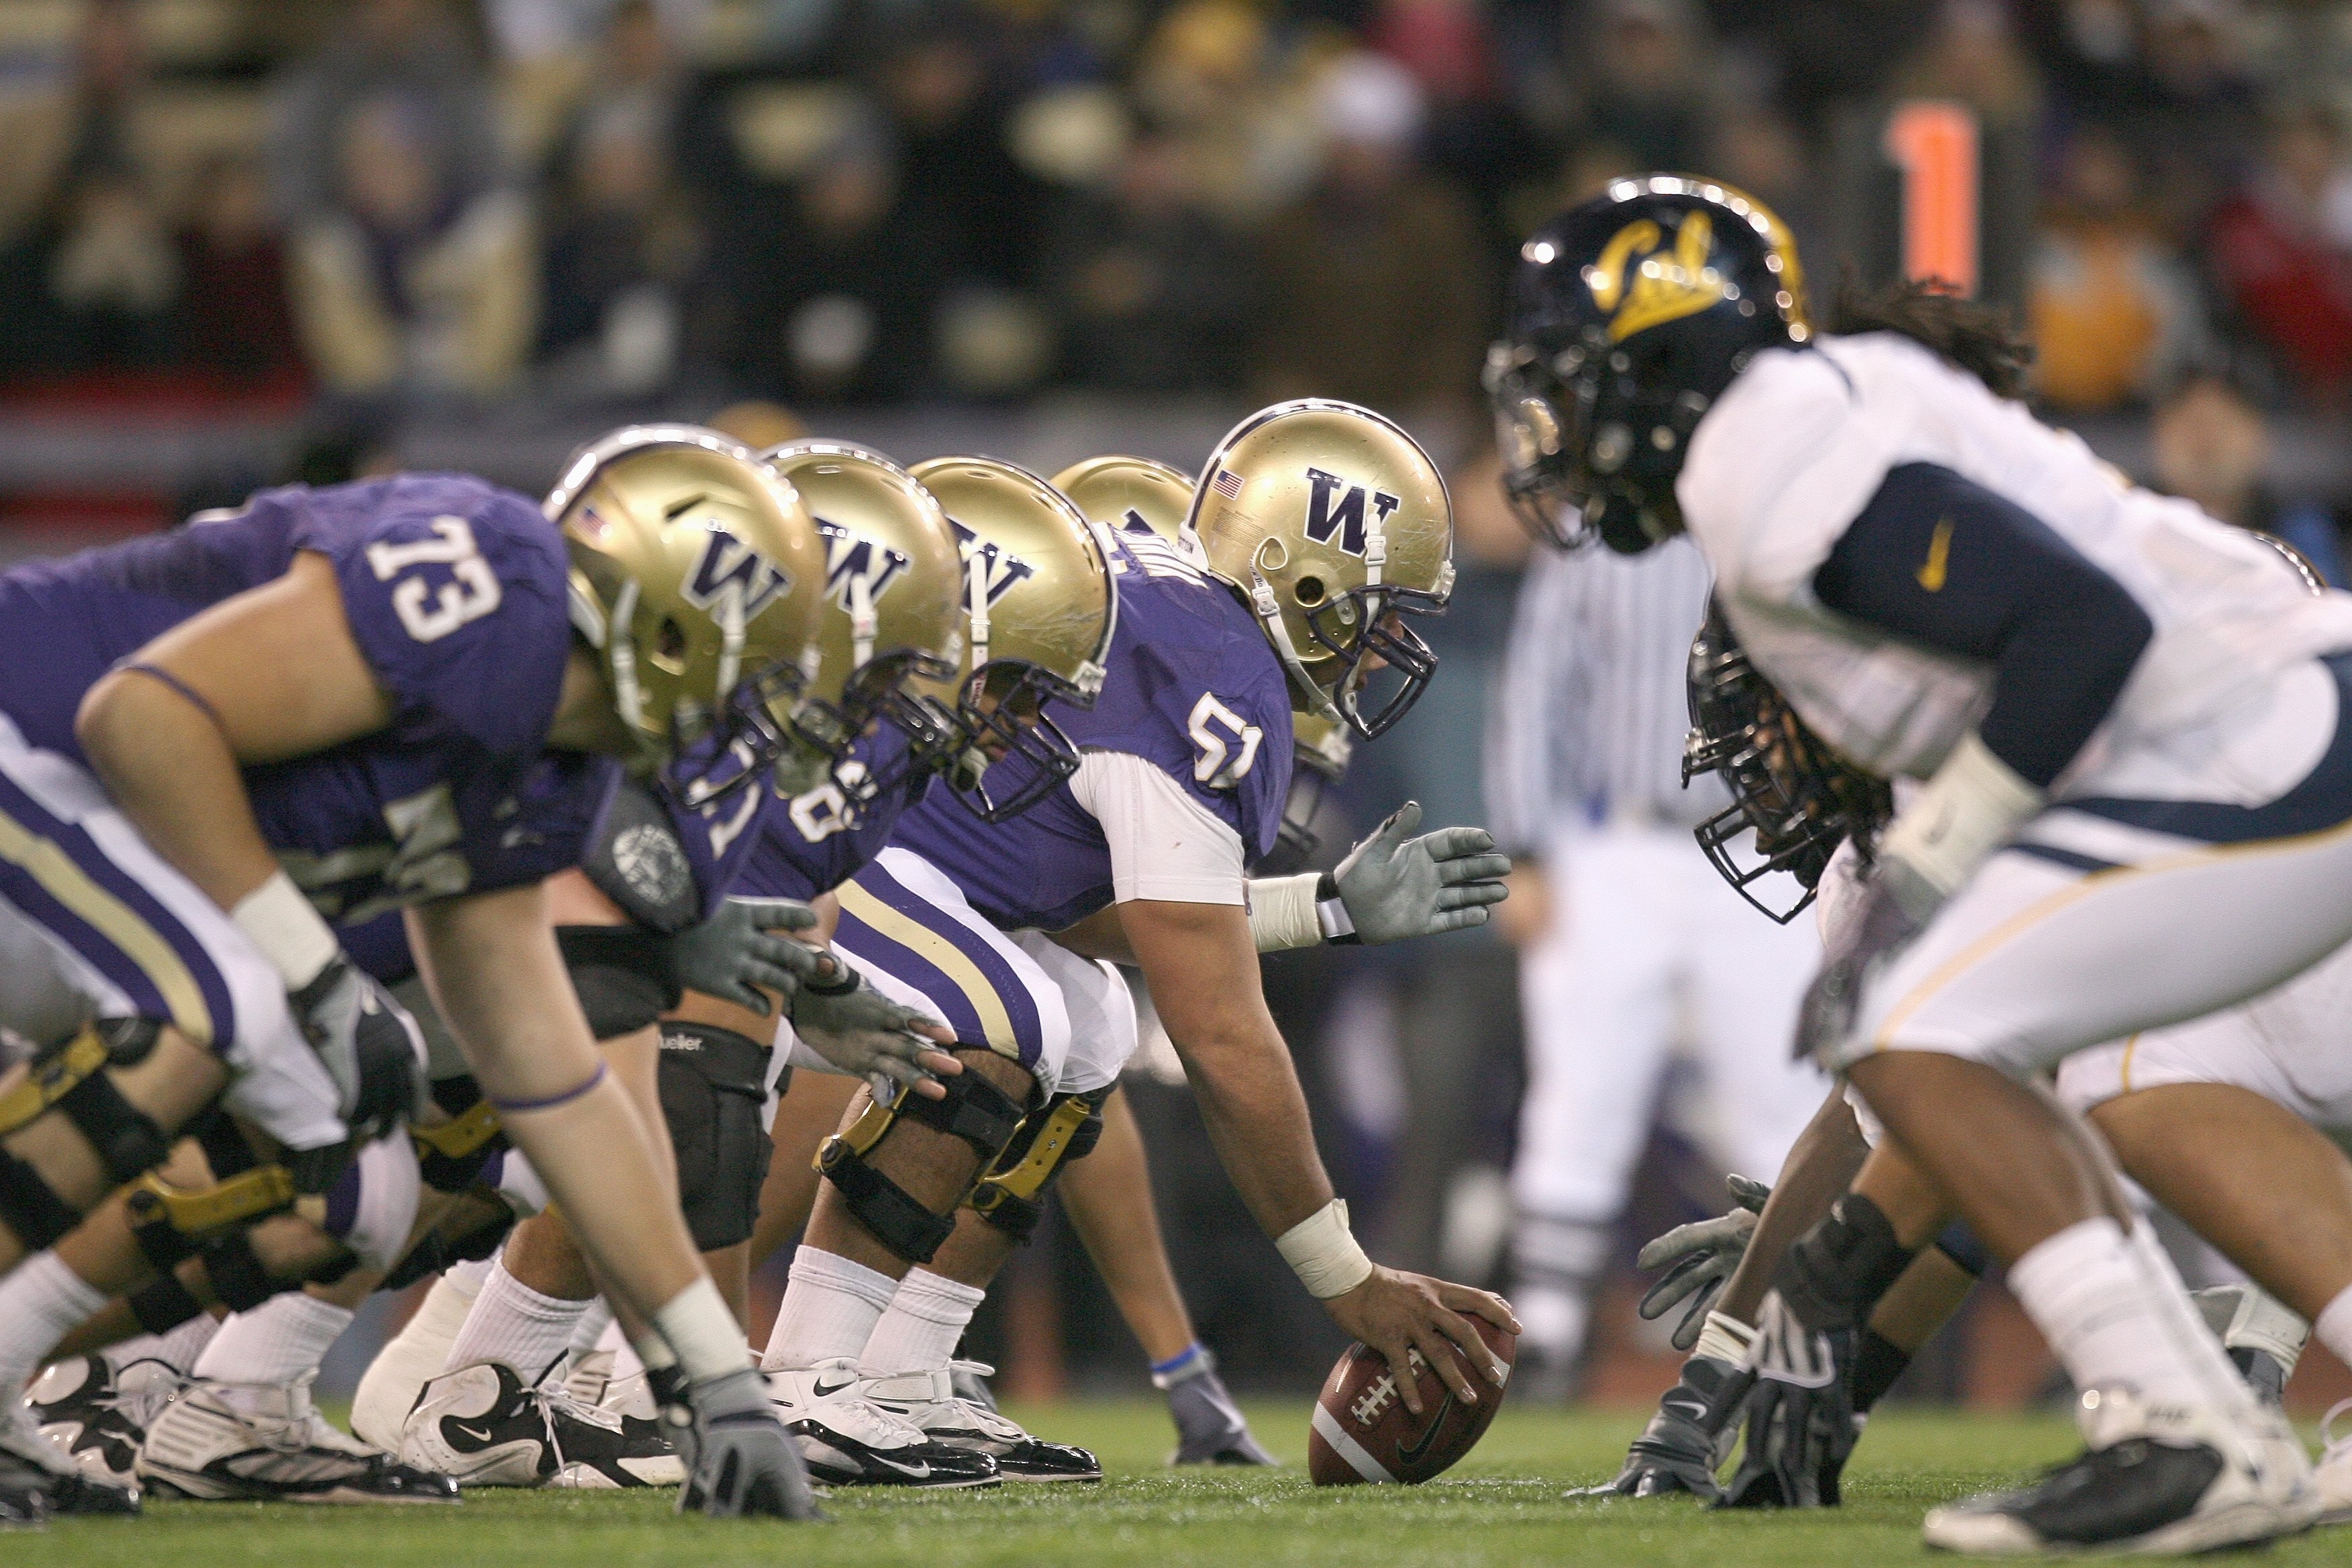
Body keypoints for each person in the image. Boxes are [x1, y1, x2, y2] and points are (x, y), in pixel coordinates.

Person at [1491, 175, 2352, 1553]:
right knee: (2137, 1077)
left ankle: (2180, 1425)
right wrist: (1754, 1348)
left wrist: (1932, 867)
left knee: (1920, 1011)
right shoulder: (1829, 404)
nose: (1558, 430)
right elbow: (1879, 1135)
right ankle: (2194, 1424)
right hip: (2271, 740)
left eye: (1574, 384)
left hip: (2257, 742)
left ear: (1653, 361)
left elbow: (2078, 630)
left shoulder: (1755, 468)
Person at [0, 423, 836, 1519]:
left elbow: (552, 1077)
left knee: (357, 1193)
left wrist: (713, 1380)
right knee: (225, 1001)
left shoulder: (549, 772)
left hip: (101, 844)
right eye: (748, 675)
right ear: (673, 625)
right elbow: (143, 716)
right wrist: (314, 976)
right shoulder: (494, 576)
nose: (747, 723)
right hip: (36, 743)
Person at [756, 407, 1516, 1481]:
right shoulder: (1213, 670)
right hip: (844, 838)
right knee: (1003, 1017)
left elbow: (1111, 913)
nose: (1375, 645)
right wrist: (1344, 1276)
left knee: (1091, 1026)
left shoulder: (1182, 619)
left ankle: (899, 1373)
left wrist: (1325, 906)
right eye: (1368, 611)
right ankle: (808, 1377)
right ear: (1297, 577)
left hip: (913, 851)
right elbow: (1218, 1031)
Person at [1603, 605, 2352, 1527]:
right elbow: (1930, 1150)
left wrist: (1825, 1273)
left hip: (2298, 862)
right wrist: (1823, 1315)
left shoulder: (1949, 814)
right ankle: (2219, 1382)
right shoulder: (2029, 718)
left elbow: (1946, 1140)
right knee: (2116, 1077)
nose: (1761, 812)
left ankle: (2192, 1416)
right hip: (2293, 836)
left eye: (1764, 754)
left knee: (2118, 1079)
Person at [1483, 518, 1822, 1399]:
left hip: (1765, 847)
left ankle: (1795, 1328)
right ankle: (1547, 1338)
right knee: (1579, 1097)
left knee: (1785, 1108)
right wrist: (1524, 845)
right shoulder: (1595, 531)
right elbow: (1538, 682)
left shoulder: (1791, 507)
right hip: (1617, 841)